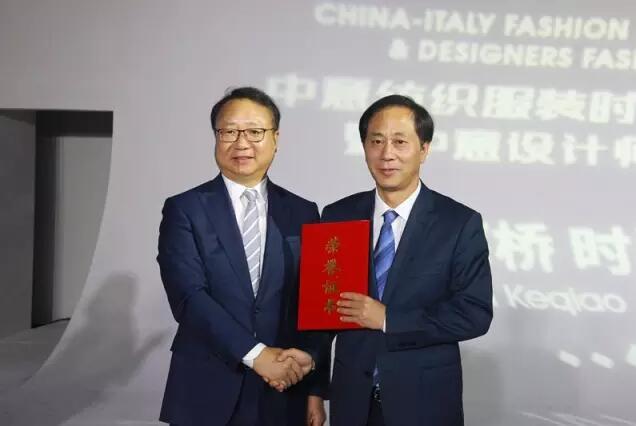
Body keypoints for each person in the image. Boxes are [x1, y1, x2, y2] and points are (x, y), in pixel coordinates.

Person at [308, 95, 493, 425]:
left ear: (424, 149)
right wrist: (314, 391)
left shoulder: (458, 223)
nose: (387, 154)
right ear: (364, 147)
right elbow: (323, 316)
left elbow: (474, 314)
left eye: (400, 142)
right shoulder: (338, 215)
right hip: (352, 402)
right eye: (376, 141)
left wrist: (388, 319)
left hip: (424, 403)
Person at [157, 87, 326, 426]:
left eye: (255, 132)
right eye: (229, 132)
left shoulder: (303, 212)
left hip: (285, 387)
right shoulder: (185, 209)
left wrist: (315, 388)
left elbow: (314, 303)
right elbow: (188, 297)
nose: (241, 143)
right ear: (216, 137)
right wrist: (256, 355)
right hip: (207, 385)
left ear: (276, 139)